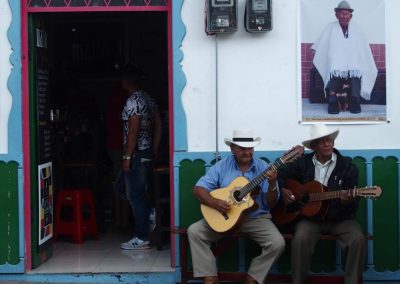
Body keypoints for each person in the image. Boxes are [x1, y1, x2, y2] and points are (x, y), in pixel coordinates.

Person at [187, 130, 285, 284]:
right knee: (194, 231)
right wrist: (215, 203)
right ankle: (210, 277)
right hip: (225, 217)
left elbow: (270, 203)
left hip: (255, 218)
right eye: (242, 148)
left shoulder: (264, 167)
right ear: (232, 148)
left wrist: (273, 184)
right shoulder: (222, 165)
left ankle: (252, 278)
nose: (247, 152)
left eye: (250, 148)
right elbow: (198, 189)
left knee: (277, 243)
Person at [277, 124, 366, 284]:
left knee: (357, 238)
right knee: (301, 238)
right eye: (322, 141)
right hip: (310, 220)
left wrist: (348, 200)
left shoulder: (347, 167)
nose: (327, 144)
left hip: (340, 219)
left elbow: (354, 205)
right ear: (314, 146)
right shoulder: (302, 163)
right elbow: (279, 176)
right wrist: (282, 190)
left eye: (330, 140)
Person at [119, 64, 162, 250]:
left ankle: (142, 236)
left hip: (136, 154)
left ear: (125, 82)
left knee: (135, 195)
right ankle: (149, 211)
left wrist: (128, 156)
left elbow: (134, 128)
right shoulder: (149, 98)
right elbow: (160, 124)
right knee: (123, 188)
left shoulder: (132, 101)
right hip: (146, 152)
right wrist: (154, 148)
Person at [311, 1, 377, 114]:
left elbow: (363, 49)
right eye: (341, 14)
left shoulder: (357, 29)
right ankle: (332, 101)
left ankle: (354, 100)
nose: (344, 16)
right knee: (333, 69)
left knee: (356, 71)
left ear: (351, 16)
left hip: (353, 62)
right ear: (336, 15)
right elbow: (321, 46)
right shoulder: (330, 27)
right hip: (335, 62)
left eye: (346, 14)